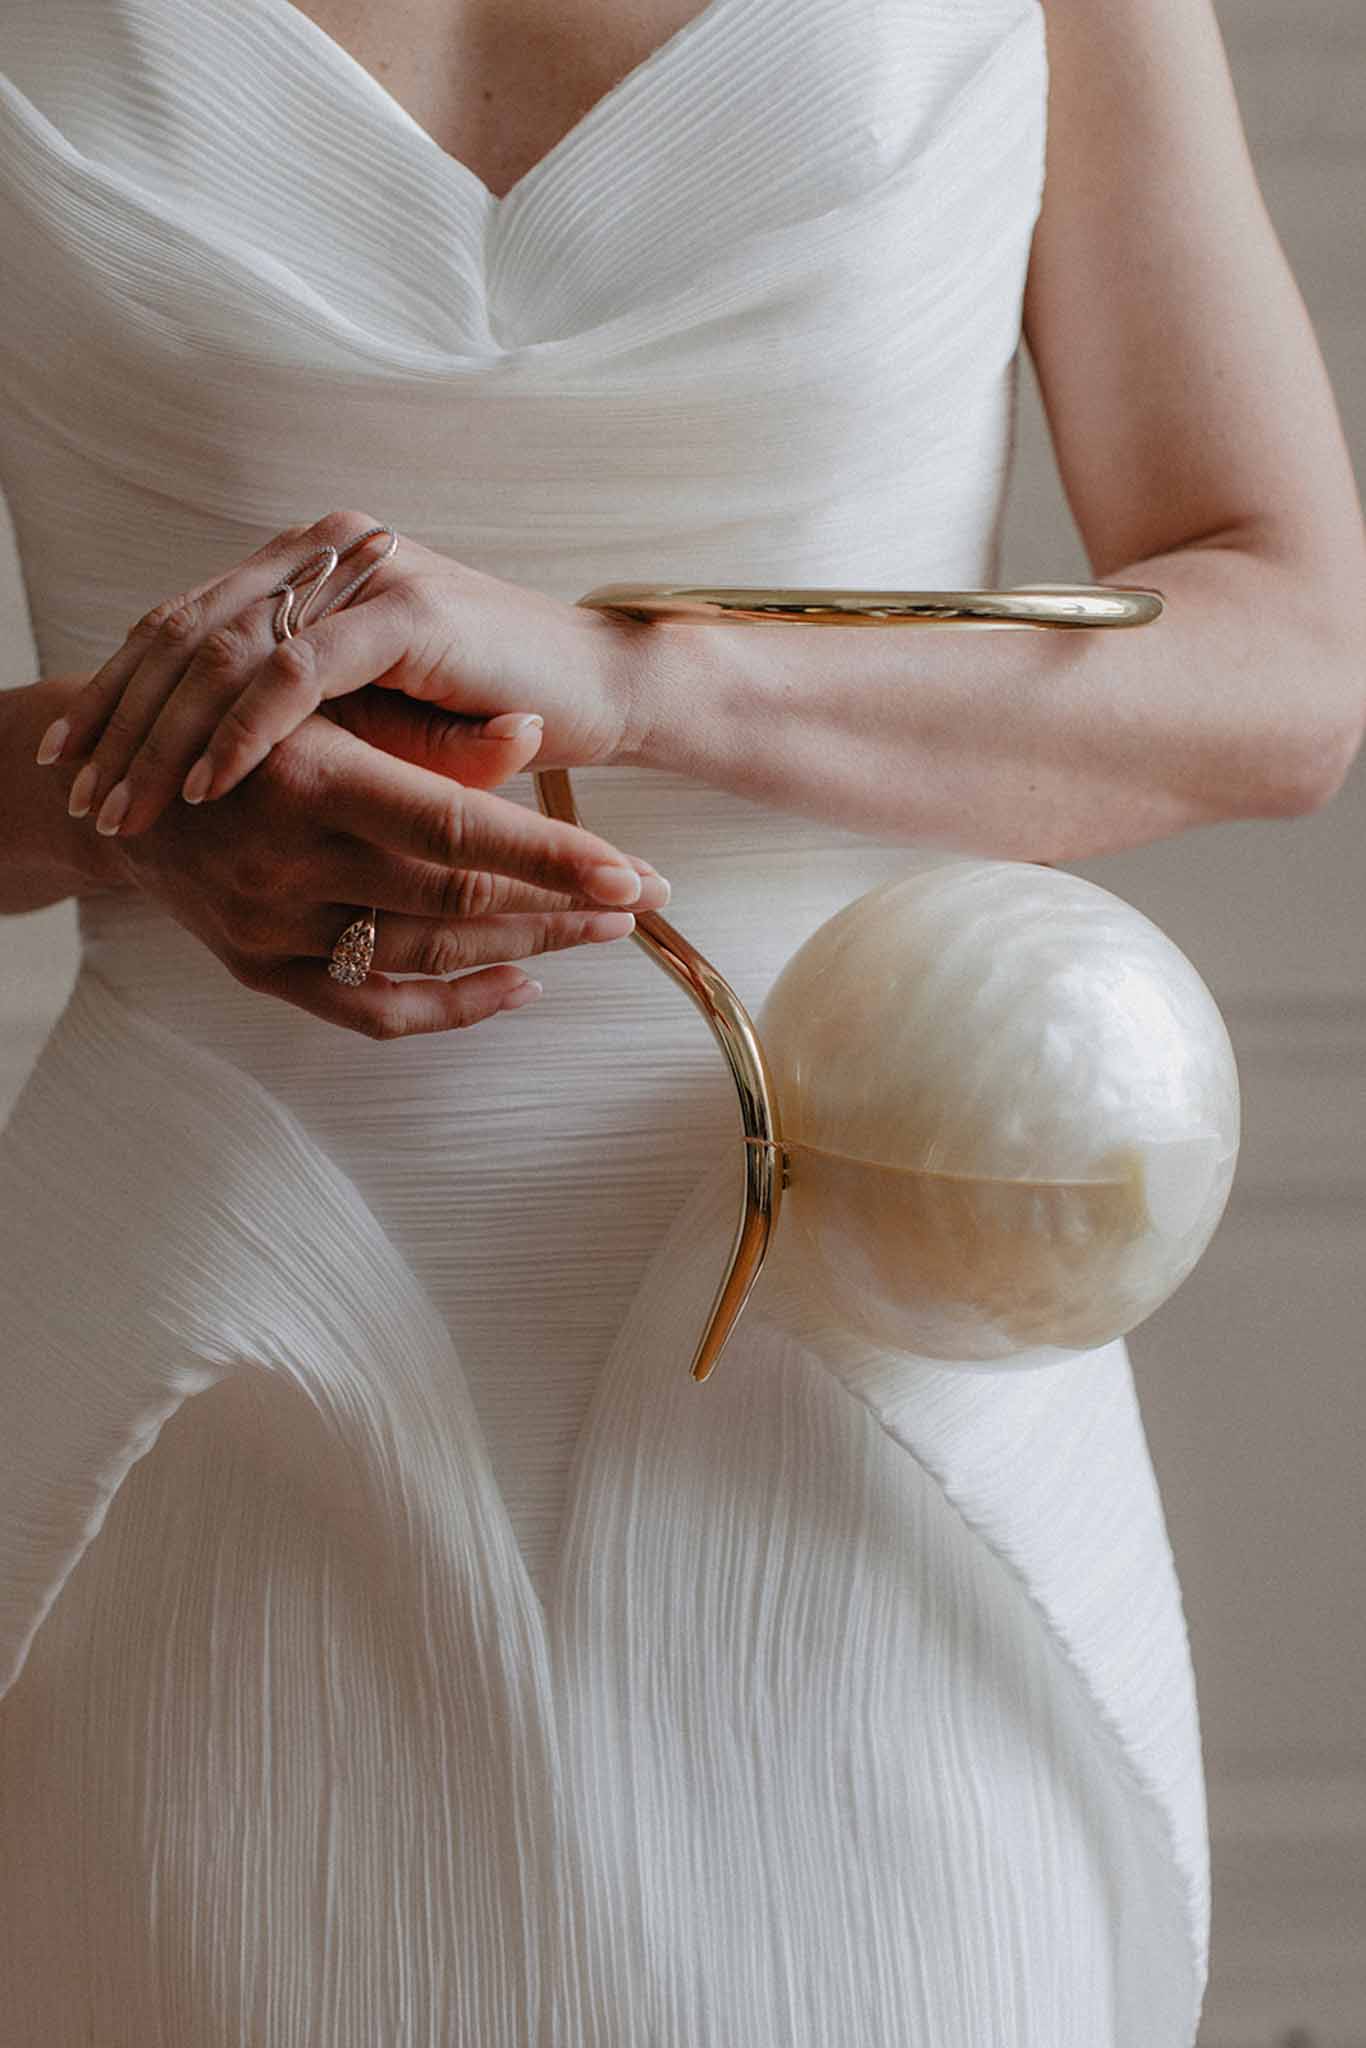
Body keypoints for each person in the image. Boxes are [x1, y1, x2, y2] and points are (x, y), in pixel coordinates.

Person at [0, 0, 1361, 2040]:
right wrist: (124, 787)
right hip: (207, 1365)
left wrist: (637, 673)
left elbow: (1287, 670)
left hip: (889, 1306)